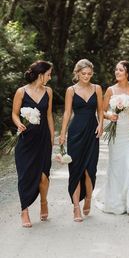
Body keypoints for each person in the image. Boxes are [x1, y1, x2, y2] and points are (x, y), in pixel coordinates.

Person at [97, 60, 129, 215]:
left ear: (127, 73)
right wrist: (109, 115)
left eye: (120, 70)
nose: (117, 72)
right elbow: (102, 111)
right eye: (116, 69)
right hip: (116, 133)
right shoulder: (111, 90)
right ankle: (116, 201)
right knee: (116, 165)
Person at [59, 59, 103, 222]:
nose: (86, 76)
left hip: (92, 132)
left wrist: (101, 125)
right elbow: (67, 113)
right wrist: (63, 133)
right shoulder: (71, 90)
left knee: (90, 170)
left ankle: (89, 199)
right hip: (76, 132)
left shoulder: (97, 88)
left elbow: (100, 110)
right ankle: (76, 208)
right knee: (76, 170)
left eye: (89, 74)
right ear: (77, 73)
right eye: (83, 74)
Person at [12, 60, 54, 228]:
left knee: (44, 176)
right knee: (25, 176)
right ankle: (25, 211)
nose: (50, 78)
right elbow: (14, 114)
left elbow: (49, 115)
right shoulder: (21, 92)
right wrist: (18, 124)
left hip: (43, 139)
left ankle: (44, 201)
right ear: (40, 74)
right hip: (25, 140)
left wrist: (52, 137)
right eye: (49, 74)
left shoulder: (49, 91)